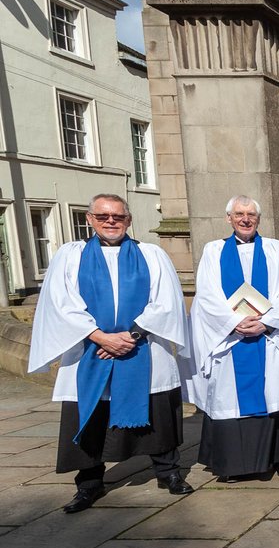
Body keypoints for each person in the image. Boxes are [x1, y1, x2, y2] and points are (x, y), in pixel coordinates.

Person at [28, 194, 194, 513]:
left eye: (117, 216)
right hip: (90, 349)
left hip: (143, 346)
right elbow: (60, 303)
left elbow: (166, 302)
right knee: (91, 416)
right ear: (90, 219)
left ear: (128, 220)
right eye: (103, 216)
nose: (111, 222)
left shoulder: (152, 255)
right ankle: (89, 484)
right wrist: (101, 337)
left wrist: (129, 336)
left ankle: (168, 473)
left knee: (158, 414)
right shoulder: (71, 256)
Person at [187, 195, 279, 482]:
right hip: (230, 341)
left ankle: (278, 457)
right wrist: (234, 322)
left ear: (258, 219)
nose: (245, 219)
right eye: (239, 214)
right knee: (229, 402)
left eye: (251, 214)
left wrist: (266, 324)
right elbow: (207, 295)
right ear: (229, 218)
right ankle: (233, 465)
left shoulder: (276, 249)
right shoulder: (213, 251)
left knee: (272, 397)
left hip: (266, 338)